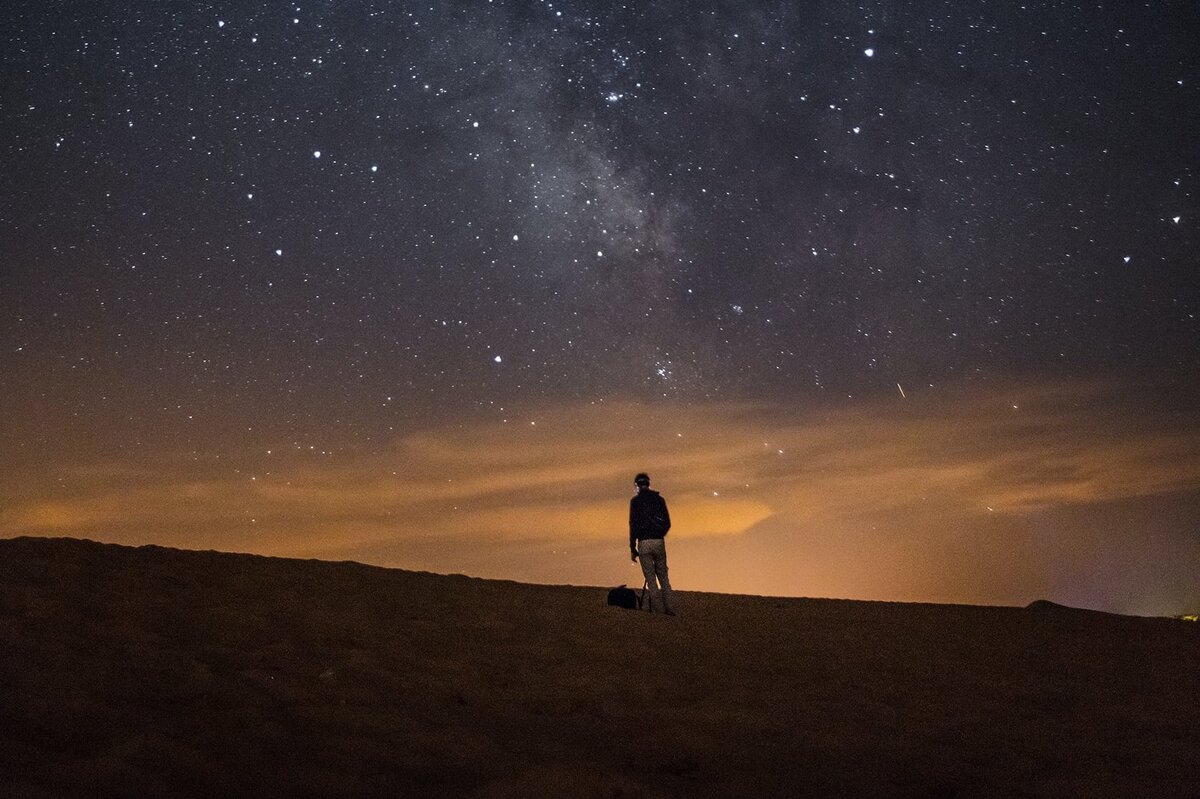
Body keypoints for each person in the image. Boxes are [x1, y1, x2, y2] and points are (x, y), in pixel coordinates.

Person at [629, 472, 675, 615]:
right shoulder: (659, 500)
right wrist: (659, 534)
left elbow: (633, 526)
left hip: (643, 543)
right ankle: (670, 608)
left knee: (651, 579)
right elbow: (667, 523)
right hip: (658, 541)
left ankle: (659, 611)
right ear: (648, 484)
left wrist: (632, 547)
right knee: (663, 577)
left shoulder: (635, 502)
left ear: (637, 485)